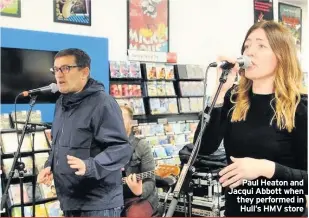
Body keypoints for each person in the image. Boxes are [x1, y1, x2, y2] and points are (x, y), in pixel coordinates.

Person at [194, 20, 307, 217]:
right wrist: (219, 93)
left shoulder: (300, 107)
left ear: (282, 55)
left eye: (261, 45)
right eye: (247, 46)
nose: (250, 52)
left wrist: (266, 168)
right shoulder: (233, 100)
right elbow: (202, 147)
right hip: (237, 209)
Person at [37, 48, 132, 217]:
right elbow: (58, 143)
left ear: (84, 72)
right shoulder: (61, 103)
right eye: (56, 69)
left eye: (65, 68)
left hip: (98, 204)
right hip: (70, 200)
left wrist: (90, 166)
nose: (59, 74)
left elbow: (121, 148)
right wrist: (49, 165)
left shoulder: (102, 103)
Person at [119, 104, 159, 217]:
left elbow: (150, 180)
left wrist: (140, 190)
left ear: (131, 122)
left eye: (121, 118)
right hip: (115, 198)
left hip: (139, 198)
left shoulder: (141, 145)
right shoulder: (106, 146)